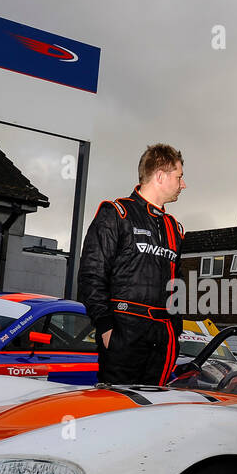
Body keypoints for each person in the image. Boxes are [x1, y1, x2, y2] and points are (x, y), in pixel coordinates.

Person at [78, 144, 187, 386]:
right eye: (179, 177)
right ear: (160, 176)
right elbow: (91, 275)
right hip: (123, 332)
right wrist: (105, 328)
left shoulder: (175, 228)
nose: (183, 185)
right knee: (117, 412)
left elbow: (177, 283)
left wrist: (175, 328)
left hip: (163, 337)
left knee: (154, 413)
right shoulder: (116, 213)